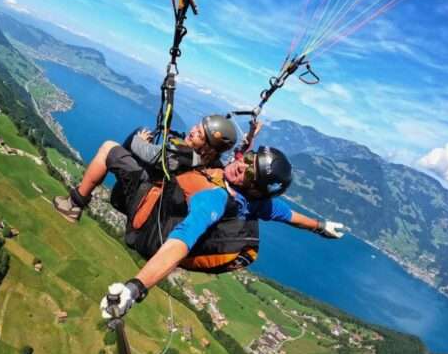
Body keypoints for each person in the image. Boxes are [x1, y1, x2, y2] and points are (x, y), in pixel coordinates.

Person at [53, 114, 346, 320]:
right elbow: (290, 215)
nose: (240, 165)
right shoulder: (256, 201)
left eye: (248, 171)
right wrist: (320, 226)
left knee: (108, 148)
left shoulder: (214, 198)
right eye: (247, 159)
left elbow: (181, 242)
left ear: (255, 187)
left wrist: (135, 287)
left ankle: (74, 204)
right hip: (160, 217)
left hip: (148, 219)